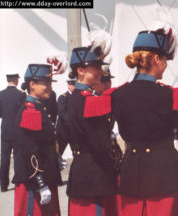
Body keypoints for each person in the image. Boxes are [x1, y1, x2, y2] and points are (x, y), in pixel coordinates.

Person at [84, 16, 178, 215]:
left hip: (131, 175)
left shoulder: (116, 94)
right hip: (165, 176)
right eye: (164, 59)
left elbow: (97, 134)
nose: (165, 65)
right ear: (156, 59)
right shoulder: (172, 95)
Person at [66, 28, 118, 215]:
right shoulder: (87, 100)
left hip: (83, 170)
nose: (99, 72)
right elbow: (98, 142)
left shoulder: (75, 96)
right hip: (95, 173)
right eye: (95, 67)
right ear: (81, 70)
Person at [12, 64, 62, 215]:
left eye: (50, 83)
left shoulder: (39, 107)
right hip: (33, 181)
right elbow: (29, 151)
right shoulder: (30, 111)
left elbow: (43, 142)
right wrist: (40, 183)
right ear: (32, 84)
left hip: (44, 175)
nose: (49, 87)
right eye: (45, 83)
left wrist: (56, 157)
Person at [0, 73, 25, 192]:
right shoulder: (21, 95)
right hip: (18, 130)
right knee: (18, 157)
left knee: (5, 158)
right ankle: (18, 183)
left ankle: (3, 186)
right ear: (16, 80)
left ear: (7, 80)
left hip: (5, 130)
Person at [56, 79, 75, 155]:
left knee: (77, 154)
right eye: (73, 85)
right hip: (63, 131)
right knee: (58, 153)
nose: (75, 87)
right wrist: (72, 123)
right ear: (69, 85)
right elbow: (62, 112)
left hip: (74, 132)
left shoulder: (78, 98)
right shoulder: (62, 97)